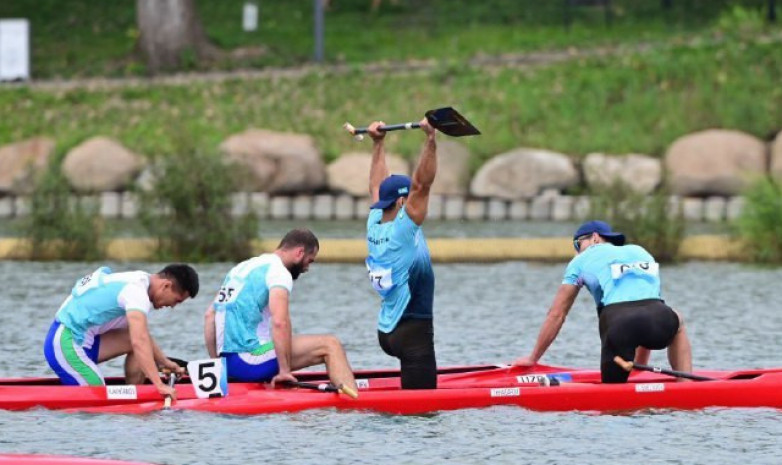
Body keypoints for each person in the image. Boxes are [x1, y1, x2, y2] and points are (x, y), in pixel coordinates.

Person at [513, 220, 693, 383]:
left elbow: (557, 314)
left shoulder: (580, 260)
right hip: (659, 318)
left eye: (578, 244)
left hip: (618, 325)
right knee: (677, 319)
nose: (577, 250)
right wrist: (639, 368)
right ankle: (686, 384)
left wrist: (533, 358)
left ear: (595, 238)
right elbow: (648, 303)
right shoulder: (640, 251)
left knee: (614, 406)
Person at [203, 228, 357, 393]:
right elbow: (280, 322)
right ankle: (356, 404)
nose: (307, 268)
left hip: (229, 364)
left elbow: (210, 316)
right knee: (330, 344)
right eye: (309, 261)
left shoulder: (241, 268)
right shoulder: (278, 272)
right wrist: (284, 372)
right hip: (249, 361)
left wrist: (219, 367)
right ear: (299, 253)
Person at [44, 264, 199, 399]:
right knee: (98, 397)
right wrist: (159, 385)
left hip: (85, 340)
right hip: (65, 343)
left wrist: (165, 362)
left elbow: (142, 337)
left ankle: (135, 397)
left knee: (134, 339)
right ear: (166, 285)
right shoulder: (136, 292)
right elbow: (140, 342)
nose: (173, 306)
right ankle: (133, 399)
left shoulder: (140, 279)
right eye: (177, 300)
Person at [365, 118, 438, 389]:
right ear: (401, 202)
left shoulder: (373, 220)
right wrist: (430, 141)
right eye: (409, 199)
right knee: (422, 417)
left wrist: (377, 143)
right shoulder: (403, 231)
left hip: (387, 331)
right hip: (413, 334)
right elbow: (422, 185)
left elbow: (376, 185)